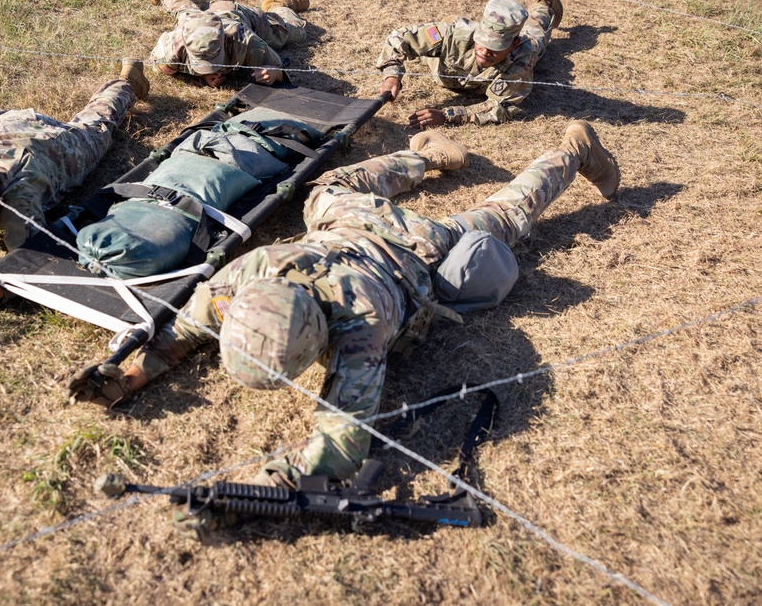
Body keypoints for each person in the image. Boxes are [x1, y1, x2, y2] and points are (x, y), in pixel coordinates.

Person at [68, 119, 620, 488]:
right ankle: (419, 154)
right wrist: (129, 374)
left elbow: (342, 446)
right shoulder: (254, 272)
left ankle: (575, 149)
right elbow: (185, 330)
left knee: (507, 215)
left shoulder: (362, 331)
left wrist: (273, 482)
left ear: (319, 345)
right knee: (329, 187)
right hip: (350, 221)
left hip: (421, 247)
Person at [0, 60, 150, 304]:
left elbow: (35, 264)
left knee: (99, 124)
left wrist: (3, 290)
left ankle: (127, 81)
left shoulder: (20, 203)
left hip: (54, 146)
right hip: (3, 127)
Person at [377, 0, 564, 128]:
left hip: (526, 43)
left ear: (512, 44)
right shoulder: (453, 35)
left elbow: (502, 107)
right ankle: (452, 19)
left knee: (536, 31)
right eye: (481, 42)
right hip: (447, 52)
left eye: (495, 47)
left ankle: (543, 0)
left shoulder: (522, 58)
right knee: (446, 29)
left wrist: (448, 115)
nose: (484, 52)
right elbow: (400, 37)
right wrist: (392, 75)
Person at [145, 0, 310, 88]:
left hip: (234, 14)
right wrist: (205, 73)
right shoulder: (170, 49)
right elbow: (159, 66)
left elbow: (275, 66)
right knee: (178, 3)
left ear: (224, 44)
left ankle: (276, 5)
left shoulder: (244, 40)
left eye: (213, 60)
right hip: (196, 21)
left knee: (296, 34)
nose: (210, 66)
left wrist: (275, 73)